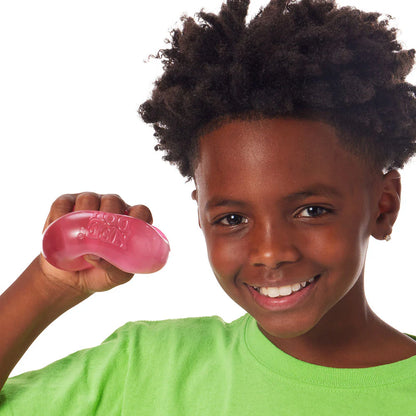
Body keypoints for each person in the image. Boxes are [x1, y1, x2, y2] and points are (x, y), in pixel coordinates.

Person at [1, 0, 416, 414]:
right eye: (233, 219)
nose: (270, 252)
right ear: (201, 217)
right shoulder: (145, 367)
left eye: (312, 211)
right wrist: (48, 285)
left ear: (383, 206)